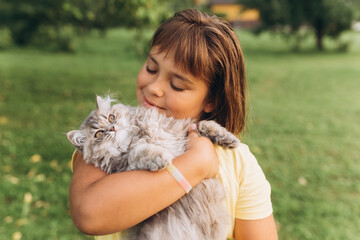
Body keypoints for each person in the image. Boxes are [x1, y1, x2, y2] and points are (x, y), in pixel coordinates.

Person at [69, 9, 278, 240]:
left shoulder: (238, 162)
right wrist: (195, 164)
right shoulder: (111, 137)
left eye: (177, 85)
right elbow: (89, 214)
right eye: (151, 68)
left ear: (211, 100)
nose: (154, 88)